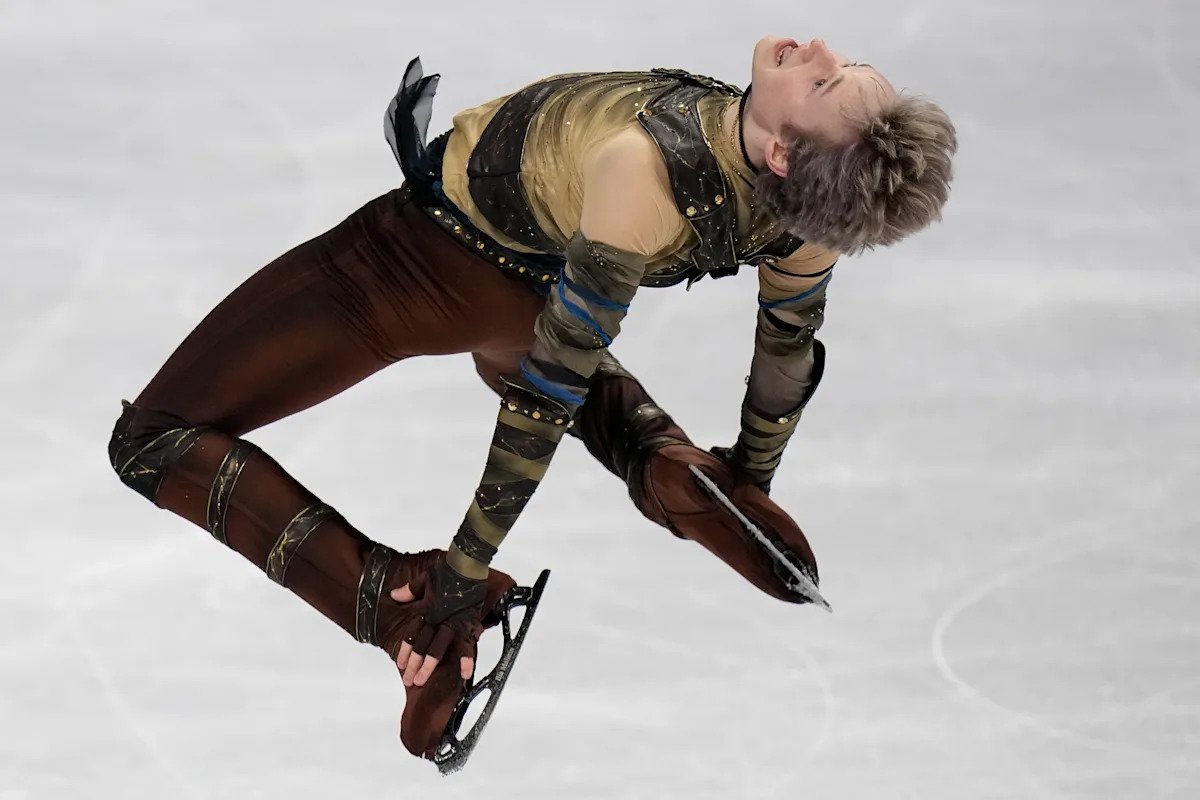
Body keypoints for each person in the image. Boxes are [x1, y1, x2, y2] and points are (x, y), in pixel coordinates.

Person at [107, 36, 957, 766]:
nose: (817, 49)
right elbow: (786, 345)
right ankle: (652, 452)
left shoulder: (641, 169)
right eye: (846, 62)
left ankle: (388, 601)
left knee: (152, 439)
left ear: (780, 156)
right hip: (533, 284)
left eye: (823, 81)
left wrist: (458, 576)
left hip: (423, 266)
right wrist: (750, 478)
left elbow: (546, 396)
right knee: (516, 351)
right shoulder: (809, 212)